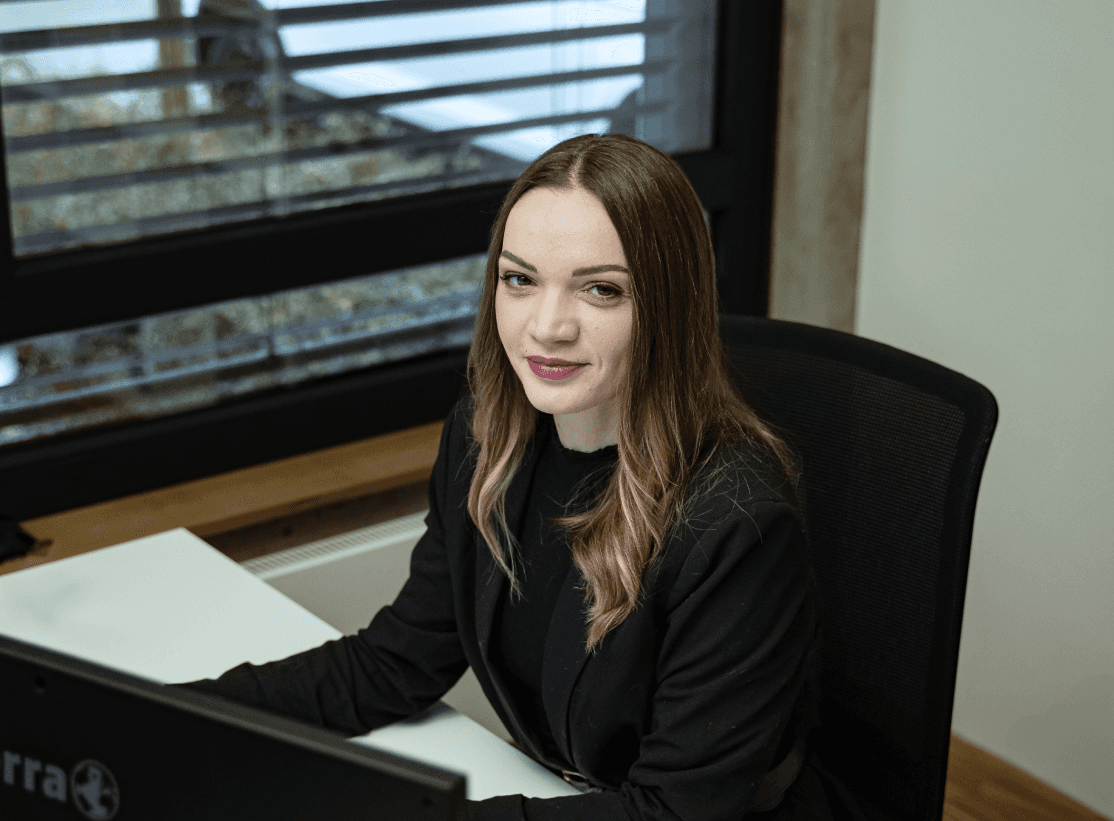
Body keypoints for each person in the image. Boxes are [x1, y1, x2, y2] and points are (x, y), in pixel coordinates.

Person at [177, 133, 845, 820]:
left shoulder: (736, 522)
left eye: (601, 289)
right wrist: (178, 719)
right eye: (520, 279)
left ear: (667, 308)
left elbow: (675, 811)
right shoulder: (488, 437)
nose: (547, 327)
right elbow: (395, 664)